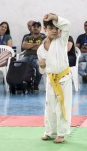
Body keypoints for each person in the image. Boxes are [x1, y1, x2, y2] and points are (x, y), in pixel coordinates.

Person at [37, 13, 72, 143]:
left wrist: (54, 17)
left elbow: (67, 24)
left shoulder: (61, 40)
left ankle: (61, 134)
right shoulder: (40, 49)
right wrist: (41, 65)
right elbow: (42, 68)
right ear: (44, 29)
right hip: (51, 81)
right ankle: (49, 131)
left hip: (63, 79)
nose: (54, 31)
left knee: (62, 106)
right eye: (51, 28)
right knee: (49, 107)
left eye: (56, 28)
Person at [18, 21, 46, 91]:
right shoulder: (27, 37)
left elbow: (43, 47)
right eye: (34, 27)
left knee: (40, 66)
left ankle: (36, 84)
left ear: (40, 28)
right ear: (31, 28)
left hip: (37, 58)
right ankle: (18, 84)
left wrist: (30, 46)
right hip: (26, 57)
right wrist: (36, 44)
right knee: (16, 64)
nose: (35, 28)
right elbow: (24, 46)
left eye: (37, 27)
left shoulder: (44, 37)